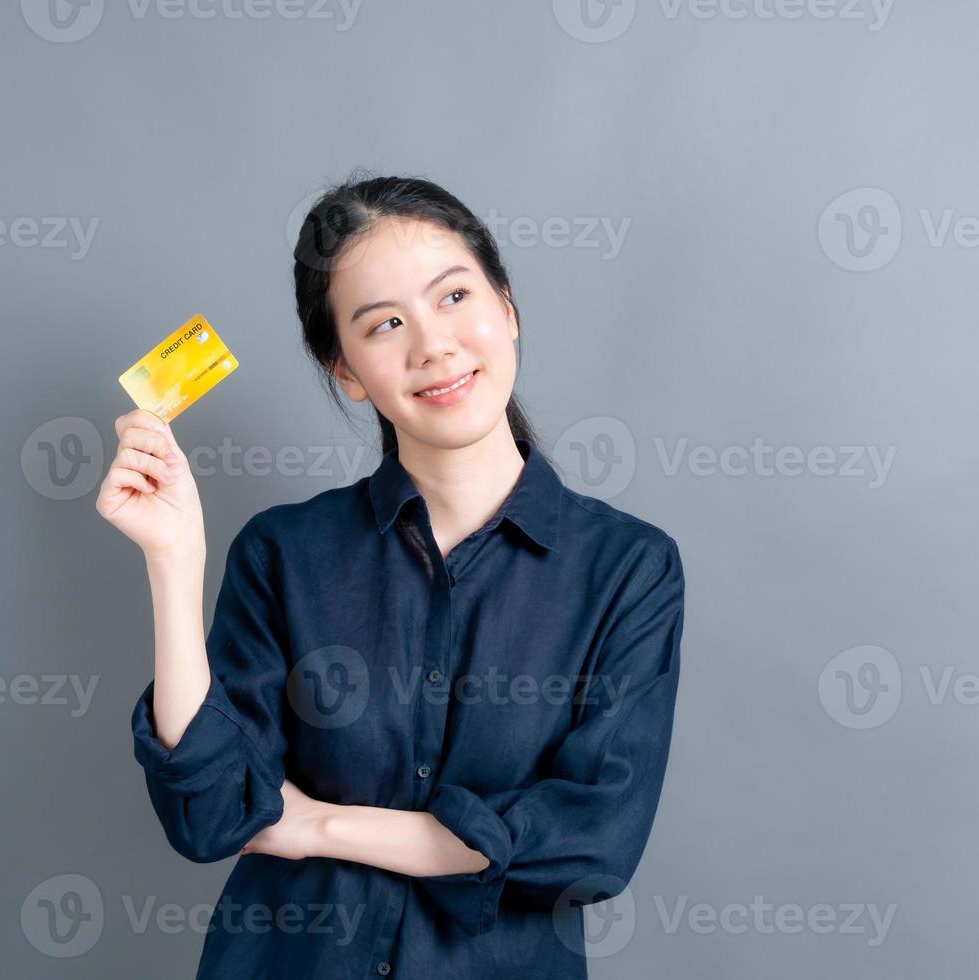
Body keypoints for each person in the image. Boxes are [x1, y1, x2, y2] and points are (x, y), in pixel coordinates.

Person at [96, 173, 686, 978]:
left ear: (506, 307)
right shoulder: (284, 553)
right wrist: (173, 561)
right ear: (345, 370)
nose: (433, 345)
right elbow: (211, 814)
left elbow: (590, 844)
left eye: (453, 298)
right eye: (384, 324)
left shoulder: (628, 569)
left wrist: (315, 827)